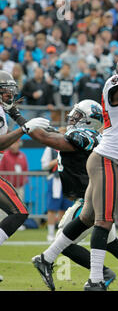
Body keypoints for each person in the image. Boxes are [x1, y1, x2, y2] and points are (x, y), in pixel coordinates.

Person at [28, 41, 118, 291]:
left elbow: (52, 138)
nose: (73, 120)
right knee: (105, 228)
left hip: (98, 181)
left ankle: (63, 264)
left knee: (92, 225)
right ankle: (106, 276)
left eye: (78, 117)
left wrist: (24, 124)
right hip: (103, 172)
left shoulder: (87, 135)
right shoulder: (100, 119)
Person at [0, 70, 50, 258]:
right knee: (19, 211)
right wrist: (24, 128)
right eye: (6, 91)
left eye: (11, 91)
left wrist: (29, 125)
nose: (10, 96)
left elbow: (25, 124)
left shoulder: (4, 108)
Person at [41, 143, 73, 242]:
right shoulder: (50, 148)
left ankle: (62, 233)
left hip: (68, 180)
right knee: (52, 208)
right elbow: (44, 165)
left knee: (66, 209)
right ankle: (50, 233)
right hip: (55, 180)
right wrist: (57, 160)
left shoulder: (71, 147)